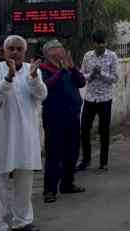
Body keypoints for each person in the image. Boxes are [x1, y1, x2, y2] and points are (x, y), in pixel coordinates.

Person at [0, 35, 47, 231]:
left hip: (26, 135)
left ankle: (23, 221)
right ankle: (0, 224)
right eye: (11, 48)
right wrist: (9, 76)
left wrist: (35, 77)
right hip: (1, 135)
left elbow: (42, 95)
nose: (15, 52)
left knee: (25, 182)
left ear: (25, 52)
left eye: (19, 49)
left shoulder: (32, 70)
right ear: (4, 51)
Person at [40, 40, 86, 203]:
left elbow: (81, 82)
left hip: (72, 116)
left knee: (72, 152)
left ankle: (67, 184)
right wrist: (60, 72)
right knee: (54, 154)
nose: (61, 55)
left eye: (62, 52)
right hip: (54, 117)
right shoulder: (42, 70)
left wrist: (72, 69)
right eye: (57, 52)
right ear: (48, 54)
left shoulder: (68, 68)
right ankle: (49, 190)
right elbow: (45, 87)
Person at [77, 31, 119, 171]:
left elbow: (115, 78)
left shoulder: (112, 56)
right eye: (98, 43)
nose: (101, 46)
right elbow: (82, 76)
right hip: (90, 98)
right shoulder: (87, 56)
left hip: (105, 98)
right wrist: (92, 74)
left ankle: (103, 162)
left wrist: (101, 73)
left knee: (104, 130)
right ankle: (86, 160)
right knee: (84, 129)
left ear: (105, 43)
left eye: (103, 43)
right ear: (93, 43)